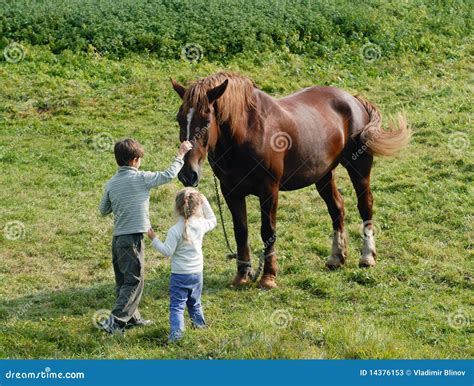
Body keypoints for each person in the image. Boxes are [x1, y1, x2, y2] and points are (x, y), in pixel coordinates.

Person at [98, 138, 192, 334]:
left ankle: (132, 318)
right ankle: (114, 321)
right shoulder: (141, 178)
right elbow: (168, 175)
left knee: (123, 281)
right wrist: (181, 154)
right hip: (132, 239)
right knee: (134, 281)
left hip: (118, 240)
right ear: (134, 160)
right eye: (140, 159)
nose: (141, 162)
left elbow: (103, 209)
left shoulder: (111, 183)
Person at [147, 188, 217, 342]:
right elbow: (213, 220)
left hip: (179, 275)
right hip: (197, 273)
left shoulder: (174, 230)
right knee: (195, 302)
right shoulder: (200, 225)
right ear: (197, 207)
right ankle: (199, 326)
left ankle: (177, 336)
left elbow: (167, 251)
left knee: (177, 306)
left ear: (177, 208)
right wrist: (204, 200)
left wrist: (154, 239)